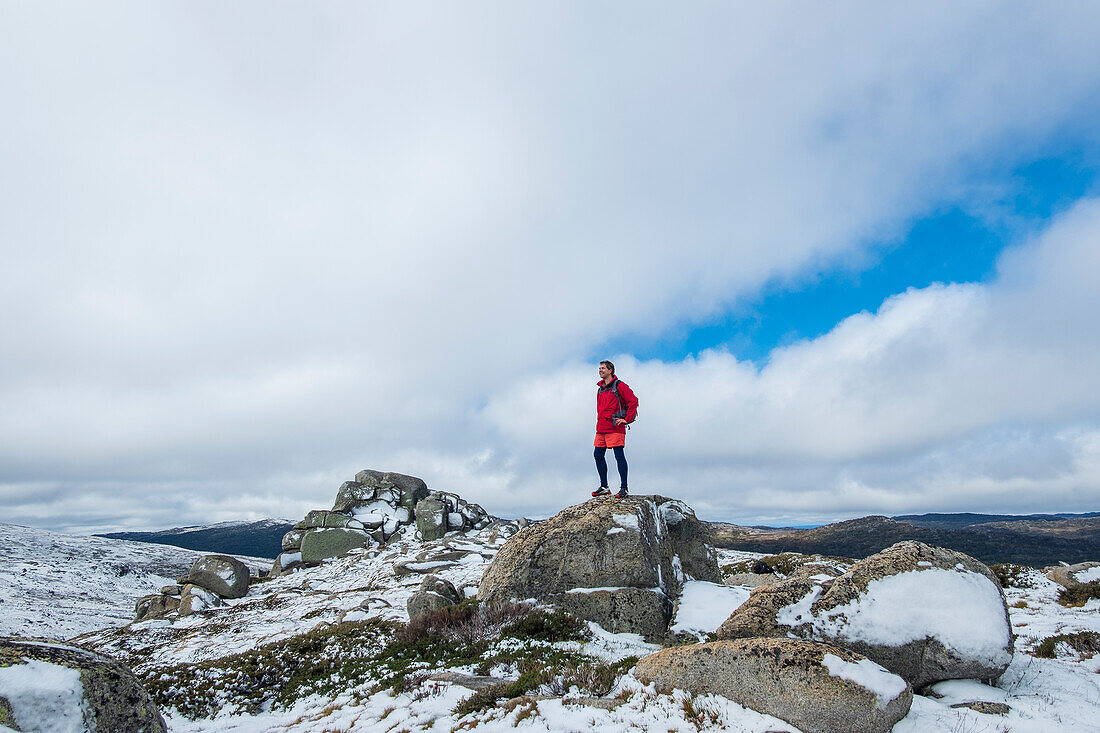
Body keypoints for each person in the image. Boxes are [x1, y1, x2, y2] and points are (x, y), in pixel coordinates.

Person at [591, 360, 638, 499]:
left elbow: (633, 401)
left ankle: (624, 488)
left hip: (615, 426)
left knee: (619, 456)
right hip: (601, 428)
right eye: (599, 368)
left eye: (603, 368)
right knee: (598, 455)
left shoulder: (620, 386)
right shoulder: (600, 389)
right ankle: (604, 487)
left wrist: (627, 419)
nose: (600, 370)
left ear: (610, 370)